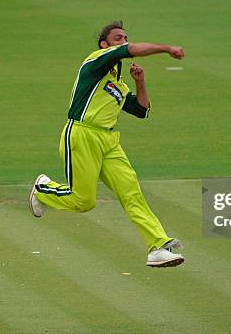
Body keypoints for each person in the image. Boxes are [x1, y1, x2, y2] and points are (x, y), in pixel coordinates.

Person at [29, 21, 185, 267]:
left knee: (131, 192)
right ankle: (43, 189)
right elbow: (131, 50)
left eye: (125, 37)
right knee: (84, 202)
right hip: (82, 135)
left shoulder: (118, 84)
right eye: (117, 38)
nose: (123, 41)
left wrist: (140, 82)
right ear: (105, 45)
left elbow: (142, 111)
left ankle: (157, 246)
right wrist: (166, 48)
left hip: (109, 141)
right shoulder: (96, 61)